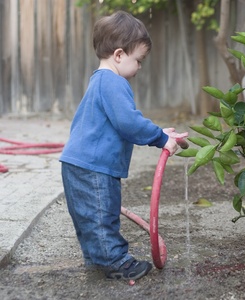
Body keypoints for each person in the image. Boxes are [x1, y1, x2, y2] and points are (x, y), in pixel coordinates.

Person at [60, 11, 188, 281]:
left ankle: (97, 260)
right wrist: (161, 139)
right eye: (138, 60)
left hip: (78, 164)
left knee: (89, 219)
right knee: (102, 217)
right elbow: (128, 122)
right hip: (95, 168)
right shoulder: (114, 82)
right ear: (119, 55)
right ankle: (117, 262)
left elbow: (122, 122)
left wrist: (158, 131)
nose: (140, 67)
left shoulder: (100, 81)